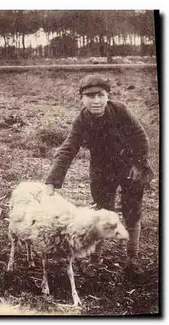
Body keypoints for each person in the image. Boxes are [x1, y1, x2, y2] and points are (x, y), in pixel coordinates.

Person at [44, 73, 154, 276]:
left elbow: (140, 137)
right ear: (81, 98)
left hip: (130, 165)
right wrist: (52, 181)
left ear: (107, 96)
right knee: (102, 211)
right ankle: (95, 259)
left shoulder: (120, 110)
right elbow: (68, 149)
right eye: (90, 96)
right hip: (101, 168)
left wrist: (138, 165)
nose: (96, 101)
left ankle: (132, 259)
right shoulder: (81, 121)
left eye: (100, 95)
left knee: (132, 212)